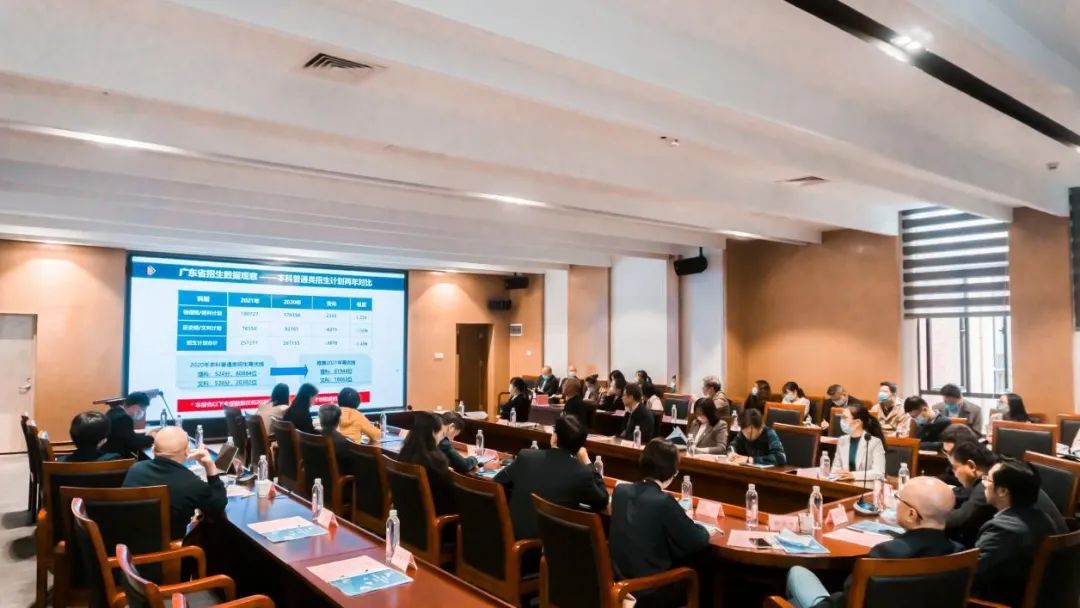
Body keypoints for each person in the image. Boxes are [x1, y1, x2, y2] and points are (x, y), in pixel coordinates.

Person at [786, 477, 961, 608]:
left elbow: (847, 599)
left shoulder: (887, 554)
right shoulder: (959, 553)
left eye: (899, 498)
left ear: (911, 514)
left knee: (797, 572)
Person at [609, 439, 715, 608]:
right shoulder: (664, 501)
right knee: (705, 566)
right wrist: (706, 530)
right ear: (673, 472)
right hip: (650, 591)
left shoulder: (620, 491)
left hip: (620, 584)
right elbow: (697, 540)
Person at [495, 414, 608, 539]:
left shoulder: (526, 457)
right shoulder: (582, 472)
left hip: (512, 537)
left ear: (554, 437)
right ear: (579, 447)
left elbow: (497, 481)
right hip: (553, 544)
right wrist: (587, 461)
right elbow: (602, 499)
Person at [973, 459, 1058, 607]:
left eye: (988, 479)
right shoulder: (1045, 518)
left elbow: (970, 573)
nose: (983, 483)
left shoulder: (1003, 529)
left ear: (1003, 491)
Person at [946, 443, 1066, 548]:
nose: (984, 482)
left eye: (954, 468)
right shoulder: (1012, 475)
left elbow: (960, 520)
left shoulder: (1001, 528)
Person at [122, 426, 227, 539]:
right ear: (187, 451)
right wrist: (210, 468)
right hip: (168, 547)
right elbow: (217, 507)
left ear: (153, 449)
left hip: (126, 544)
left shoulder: (135, 469)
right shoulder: (191, 483)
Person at [398, 412, 456, 514]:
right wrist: (446, 472)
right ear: (433, 433)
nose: (441, 438)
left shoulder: (403, 454)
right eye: (441, 434)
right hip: (435, 514)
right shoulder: (435, 460)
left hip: (407, 513)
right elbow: (448, 493)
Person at [834, 404, 886, 482]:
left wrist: (853, 475)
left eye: (845, 418)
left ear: (857, 422)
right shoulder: (842, 440)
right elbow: (835, 468)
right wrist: (837, 473)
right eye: (841, 417)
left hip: (866, 485)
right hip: (844, 483)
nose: (841, 421)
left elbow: (879, 472)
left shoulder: (875, 443)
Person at [104, 392, 155, 459]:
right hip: (116, 458)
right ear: (135, 407)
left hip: (108, 452)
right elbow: (133, 442)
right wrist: (152, 438)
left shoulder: (114, 410)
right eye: (143, 409)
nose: (143, 412)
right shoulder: (124, 418)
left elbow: (129, 436)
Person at [317, 404, 357, 473]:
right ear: (338, 421)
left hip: (317, 475)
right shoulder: (346, 442)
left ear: (320, 420)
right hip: (340, 477)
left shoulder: (311, 438)